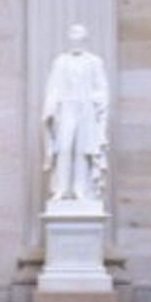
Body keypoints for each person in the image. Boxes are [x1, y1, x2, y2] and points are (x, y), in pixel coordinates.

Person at [42, 23, 109, 204]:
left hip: (86, 107)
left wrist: (98, 103)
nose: (76, 40)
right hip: (65, 108)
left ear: (85, 40)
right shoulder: (61, 61)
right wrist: (50, 107)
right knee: (63, 148)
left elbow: (101, 87)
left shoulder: (94, 62)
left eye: (79, 37)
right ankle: (61, 189)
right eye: (73, 37)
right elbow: (53, 87)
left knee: (82, 150)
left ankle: (81, 190)